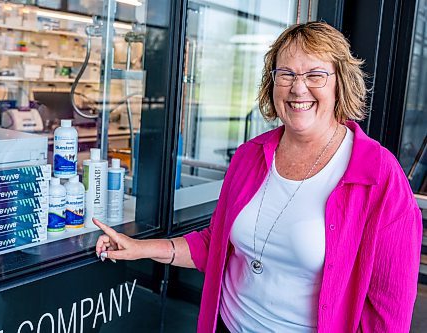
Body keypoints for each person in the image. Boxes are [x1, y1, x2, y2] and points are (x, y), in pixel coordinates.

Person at [94, 22, 423, 332]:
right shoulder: (250, 155)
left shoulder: (379, 176)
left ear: (340, 82)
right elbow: (216, 244)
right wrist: (139, 248)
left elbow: (387, 314)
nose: (298, 88)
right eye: (286, 74)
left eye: (315, 74)